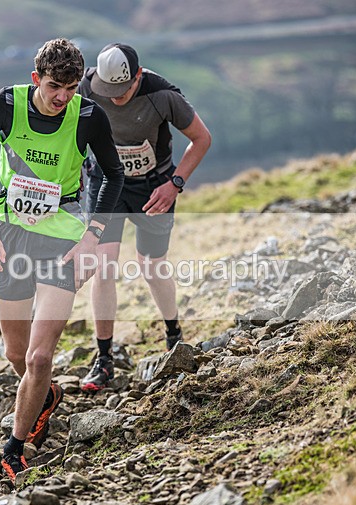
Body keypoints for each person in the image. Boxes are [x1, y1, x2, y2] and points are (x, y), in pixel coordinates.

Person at [0, 38, 125, 481]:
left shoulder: (88, 116)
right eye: (54, 87)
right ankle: (46, 398)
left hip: (63, 241)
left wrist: (92, 237)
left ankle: (15, 446)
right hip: (11, 235)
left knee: (38, 357)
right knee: (15, 352)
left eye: (70, 88)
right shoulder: (6, 105)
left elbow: (114, 173)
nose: (62, 98)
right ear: (36, 80)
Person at [78, 43, 212, 393]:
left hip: (153, 187)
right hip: (105, 183)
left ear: (138, 76)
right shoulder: (86, 86)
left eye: (123, 91)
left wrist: (175, 184)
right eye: (110, 92)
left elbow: (201, 139)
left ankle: (173, 336)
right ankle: (104, 358)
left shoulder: (162, 94)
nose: (116, 97)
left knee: (151, 266)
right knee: (103, 266)